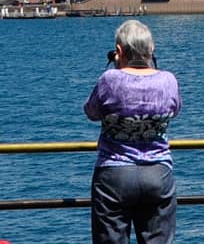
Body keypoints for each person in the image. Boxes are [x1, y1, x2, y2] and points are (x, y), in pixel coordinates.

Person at [84, 20, 182, 244]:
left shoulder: (109, 80)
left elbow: (91, 112)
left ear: (119, 51)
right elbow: (175, 111)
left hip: (113, 173)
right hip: (158, 172)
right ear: (151, 50)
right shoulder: (168, 80)